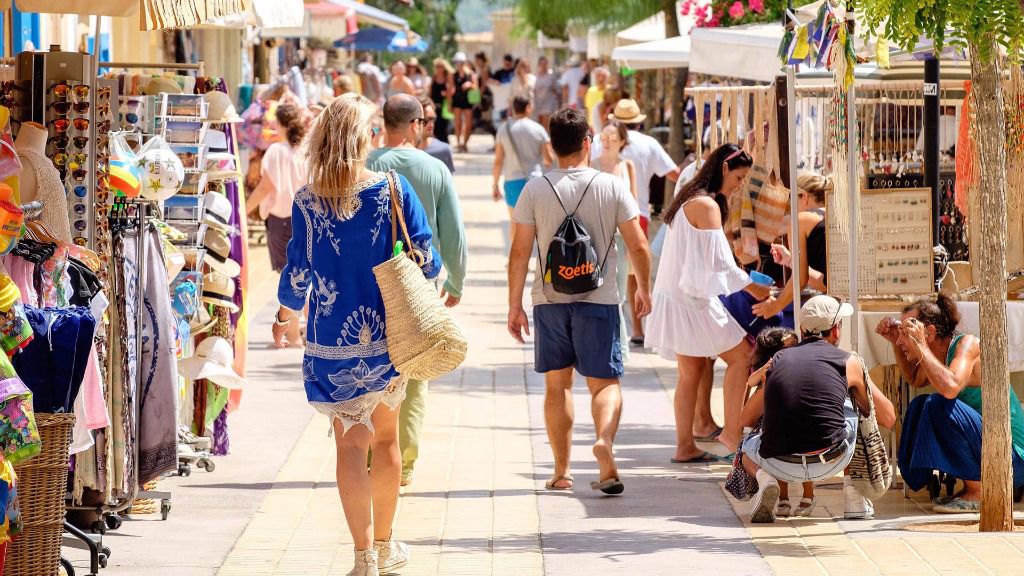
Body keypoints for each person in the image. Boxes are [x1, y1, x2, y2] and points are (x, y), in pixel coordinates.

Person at [276, 93, 441, 576]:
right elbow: (428, 260)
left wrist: (286, 315)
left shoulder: (307, 199)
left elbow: (297, 274)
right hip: (388, 340)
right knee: (386, 443)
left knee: (348, 444)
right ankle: (387, 547)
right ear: (364, 138)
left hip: (330, 343)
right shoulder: (393, 188)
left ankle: (362, 556)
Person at [507, 107, 652, 495]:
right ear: (587, 142)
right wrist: (644, 289)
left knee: (558, 387)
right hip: (600, 299)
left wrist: (514, 304)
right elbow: (637, 243)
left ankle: (561, 471)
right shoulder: (611, 186)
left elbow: (519, 252)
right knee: (604, 384)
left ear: (551, 148)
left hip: (549, 300)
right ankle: (604, 443)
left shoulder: (535, 189)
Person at [368, 94, 468, 487]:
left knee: (373, 367)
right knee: (413, 372)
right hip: (418, 285)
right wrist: (456, 281)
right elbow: (453, 232)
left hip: (371, 284)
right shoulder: (435, 169)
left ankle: (373, 452)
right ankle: (403, 462)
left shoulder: (367, 165)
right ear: (416, 124)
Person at [645, 143, 766, 462]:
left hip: (677, 297)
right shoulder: (708, 205)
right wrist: (753, 288)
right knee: (744, 355)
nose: (740, 185)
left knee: (691, 372)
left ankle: (684, 445)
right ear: (725, 169)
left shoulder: (689, 195)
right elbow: (722, 265)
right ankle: (731, 433)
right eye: (739, 177)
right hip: (692, 302)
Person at [741, 296, 897, 523]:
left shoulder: (777, 360)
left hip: (778, 462)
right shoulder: (849, 362)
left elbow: (744, 419)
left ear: (802, 329)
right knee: (850, 409)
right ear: (835, 331)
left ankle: (767, 480)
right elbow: (888, 417)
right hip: (832, 460)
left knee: (746, 445)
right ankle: (854, 497)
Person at [879, 294, 1024, 513]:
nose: (900, 341)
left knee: (937, 402)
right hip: (989, 447)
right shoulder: (938, 352)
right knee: (920, 404)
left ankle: (979, 492)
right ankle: (928, 478)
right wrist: (896, 343)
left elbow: (950, 387)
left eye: (905, 334)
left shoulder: (968, 345)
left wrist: (920, 346)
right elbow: (915, 379)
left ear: (929, 333)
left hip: (1011, 455)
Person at [595, 100, 681, 345]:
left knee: (614, 272)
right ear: (638, 122)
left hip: (607, 220)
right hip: (637, 215)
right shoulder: (649, 143)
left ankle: (621, 324)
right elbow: (673, 174)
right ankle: (637, 328)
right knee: (635, 273)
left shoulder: (602, 147)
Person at [245, 102, 310, 347]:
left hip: (281, 220)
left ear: (279, 124)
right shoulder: (307, 151)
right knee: (308, 277)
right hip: (307, 218)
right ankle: (310, 335)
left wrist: (244, 211)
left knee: (289, 279)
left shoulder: (275, 152)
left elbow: (265, 187)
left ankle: (293, 336)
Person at [753, 172, 830, 320]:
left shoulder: (800, 220)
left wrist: (775, 307)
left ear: (805, 197)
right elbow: (824, 283)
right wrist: (789, 260)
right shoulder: (831, 215)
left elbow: (800, 280)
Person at [595, 122, 637, 361]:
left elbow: (636, 208)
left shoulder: (627, 167)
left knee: (619, 295)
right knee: (599, 292)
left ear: (622, 141)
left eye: (613, 136)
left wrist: (634, 244)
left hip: (621, 239)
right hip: (596, 239)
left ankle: (618, 347)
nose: (608, 140)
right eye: (604, 136)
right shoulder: (591, 167)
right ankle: (615, 348)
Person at [492, 96, 552, 223]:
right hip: (535, 181)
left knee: (515, 222)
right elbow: (549, 158)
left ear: (513, 109)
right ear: (528, 108)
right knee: (537, 222)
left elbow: (498, 160)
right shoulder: (539, 129)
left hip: (512, 181)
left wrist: (495, 184)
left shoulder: (503, 129)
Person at [418, 97, 455, 173]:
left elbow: (447, 183)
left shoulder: (443, 150)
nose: (431, 124)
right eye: (426, 120)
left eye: (432, 119)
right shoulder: (401, 152)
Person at [451, 52, 477, 153]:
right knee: (458, 123)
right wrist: (449, 103)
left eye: (460, 62)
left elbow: (476, 87)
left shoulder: (470, 74)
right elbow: (451, 89)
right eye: (456, 62)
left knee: (468, 124)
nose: (458, 64)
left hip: (468, 101)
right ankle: (458, 143)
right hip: (457, 100)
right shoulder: (453, 75)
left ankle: (465, 144)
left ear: (464, 62)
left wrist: (470, 84)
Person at [428, 58, 455, 144]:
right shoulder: (434, 77)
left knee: (444, 125)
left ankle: (444, 144)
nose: (439, 68)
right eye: (437, 66)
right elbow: (430, 91)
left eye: (440, 66)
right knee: (435, 124)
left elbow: (450, 92)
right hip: (434, 104)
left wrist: (450, 104)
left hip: (444, 105)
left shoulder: (448, 77)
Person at [533, 56, 561, 131]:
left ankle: (546, 140)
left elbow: (556, 90)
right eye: (542, 64)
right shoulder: (535, 77)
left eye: (545, 64)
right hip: (538, 104)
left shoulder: (551, 76)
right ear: (539, 65)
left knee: (546, 125)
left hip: (549, 103)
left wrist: (559, 102)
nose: (544, 66)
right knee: (539, 125)